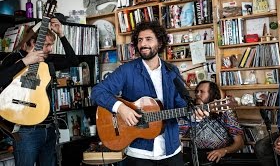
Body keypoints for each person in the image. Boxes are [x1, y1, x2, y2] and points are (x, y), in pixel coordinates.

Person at [91, 21, 206, 166]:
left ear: (160, 42)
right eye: (140, 40)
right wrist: (121, 108)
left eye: (148, 39)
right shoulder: (127, 70)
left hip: (171, 151)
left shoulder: (172, 71)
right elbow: (97, 92)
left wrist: (195, 115)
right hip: (139, 154)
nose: (143, 44)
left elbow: (181, 106)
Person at [0, 18, 79, 166]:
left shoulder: (47, 60)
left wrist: (61, 34)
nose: (50, 49)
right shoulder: (15, 58)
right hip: (25, 131)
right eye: (47, 45)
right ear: (32, 43)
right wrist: (25, 62)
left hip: (48, 129)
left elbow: (73, 61)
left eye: (51, 45)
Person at [184, 80, 244, 165]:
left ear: (211, 95)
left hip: (220, 156)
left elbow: (240, 143)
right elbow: (179, 132)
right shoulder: (190, 111)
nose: (197, 94)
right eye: (196, 91)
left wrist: (223, 151)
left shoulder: (225, 112)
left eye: (202, 92)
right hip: (197, 156)